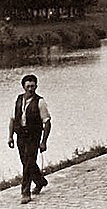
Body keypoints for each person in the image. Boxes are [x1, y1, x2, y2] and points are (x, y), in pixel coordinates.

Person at [8, 74, 51, 204]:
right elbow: (12, 119)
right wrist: (10, 136)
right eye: (28, 86)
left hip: (34, 136)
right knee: (25, 161)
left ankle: (25, 192)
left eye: (33, 86)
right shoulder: (18, 100)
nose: (30, 89)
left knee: (28, 162)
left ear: (36, 86)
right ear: (23, 87)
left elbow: (47, 122)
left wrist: (43, 142)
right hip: (20, 135)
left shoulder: (40, 102)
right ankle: (40, 181)